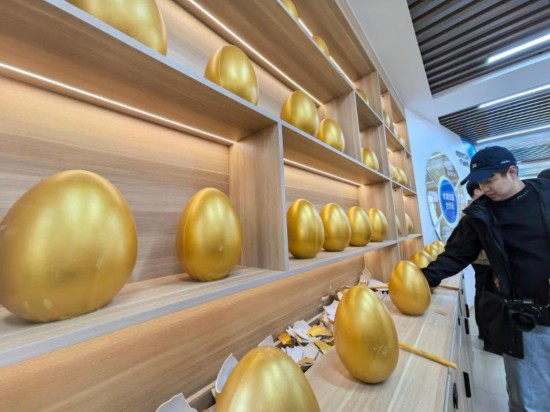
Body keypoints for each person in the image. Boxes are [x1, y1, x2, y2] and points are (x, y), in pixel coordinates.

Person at [422, 146, 550, 411]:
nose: (484, 188)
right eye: (480, 182)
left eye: (489, 180)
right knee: (528, 400)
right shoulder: (479, 216)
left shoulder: (545, 194)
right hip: (526, 320)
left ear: (512, 172)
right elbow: (455, 255)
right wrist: (422, 278)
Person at [465, 181, 496, 351]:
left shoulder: (482, 209)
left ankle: (489, 333)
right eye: (484, 186)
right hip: (483, 262)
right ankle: (486, 334)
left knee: (487, 296)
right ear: (477, 192)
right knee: (484, 296)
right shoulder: (472, 213)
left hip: (488, 261)